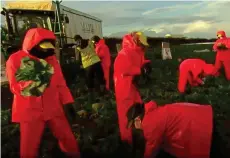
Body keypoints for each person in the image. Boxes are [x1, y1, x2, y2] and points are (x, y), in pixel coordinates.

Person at [6, 28, 80, 158]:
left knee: (68, 139)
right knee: (29, 147)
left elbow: (61, 84)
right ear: (32, 44)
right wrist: (34, 83)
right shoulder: (15, 60)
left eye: (48, 48)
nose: (46, 51)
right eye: (43, 48)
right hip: (30, 111)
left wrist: (68, 102)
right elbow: (14, 87)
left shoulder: (52, 61)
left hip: (53, 108)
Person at [126, 101, 224, 158]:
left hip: (199, 125)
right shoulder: (151, 113)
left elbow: (150, 150)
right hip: (200, 115)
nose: (134, 128)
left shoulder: (150, 124)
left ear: (137, 120)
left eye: (133, 125)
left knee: (215, 151)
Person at [113, 31, 151, 145]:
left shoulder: (137, 51)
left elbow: (140, 60)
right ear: (136, 40)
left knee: (139, 107)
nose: (142, 46)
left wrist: (146, 64)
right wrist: (140, 70)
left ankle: (141, 131)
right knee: (126, 113)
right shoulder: (125, 52)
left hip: (133, 85)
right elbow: (122, 68)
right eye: (141, 43)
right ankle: (127, 141)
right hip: (123, 86)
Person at [74, 35, 106, 101]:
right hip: (95, 61)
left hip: (87, 65)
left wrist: (79, 64)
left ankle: (92, 97)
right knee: (100, 77)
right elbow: (94, 49)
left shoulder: (77, 47)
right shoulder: (89, 42)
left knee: (90, 80)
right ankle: (102, 94)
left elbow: (77, 58)